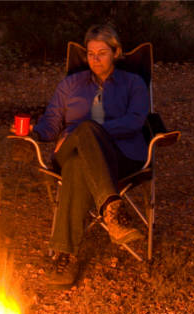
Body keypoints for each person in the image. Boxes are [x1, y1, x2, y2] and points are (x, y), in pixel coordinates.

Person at [12, 24, 149, 287]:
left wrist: (95, 133)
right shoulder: (70, 85)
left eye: (102, 53)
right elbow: (52, 122)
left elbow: (135, 121)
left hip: (120, 155)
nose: (95, 59)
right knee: (81, 139)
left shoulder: (134, 83)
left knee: (79, 154)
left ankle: (65, 255)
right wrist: (34, 133)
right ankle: (112, 209)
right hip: (69, 148)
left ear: (116, 52)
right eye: (90, 54)